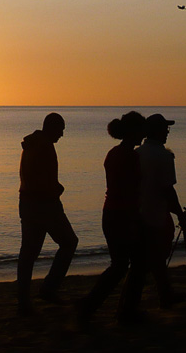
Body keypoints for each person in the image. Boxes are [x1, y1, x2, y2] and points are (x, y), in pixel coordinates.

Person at [78, 111, 147, 324]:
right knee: (132, 265)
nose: (143, 134)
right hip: (122, 215)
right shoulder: (129, 156)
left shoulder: (114, 153)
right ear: (133, 131)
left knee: (121, 265)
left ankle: (94, 306)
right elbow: (130, 190)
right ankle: (120, 311)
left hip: (112, 213)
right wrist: (135, 219)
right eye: (141, 129)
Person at [16, 112, 78, 316]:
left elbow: (35, 175)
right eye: (60, 130)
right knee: (69, 242)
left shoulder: (33, 144)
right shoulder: (44, 147)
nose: (62, 135)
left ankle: (25, 301)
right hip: (44, 205)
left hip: (28, 203)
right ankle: (48, 289)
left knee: (28, 254)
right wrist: (57, 190)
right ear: (52, 128)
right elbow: (42, 180)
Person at [137, 113, 186, 308]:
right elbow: (168, 190)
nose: (167, 132)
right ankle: (163, 294)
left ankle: (165, 294)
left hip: (140, 213)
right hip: (156, 214)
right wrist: (180, 215)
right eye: (165, 129)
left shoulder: (138, 153)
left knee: (151, 258)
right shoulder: (164, 156)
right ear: (156, 131)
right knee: (155, 257)